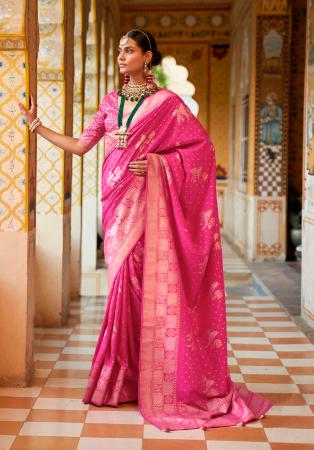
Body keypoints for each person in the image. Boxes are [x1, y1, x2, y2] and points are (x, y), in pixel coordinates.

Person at [19, 28, 272, 432]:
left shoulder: (167, 104)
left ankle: (139, 379)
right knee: (121, 284)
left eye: (129, 50)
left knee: (136, 287)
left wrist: (158, 163)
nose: (121, 56)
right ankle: (123, 379)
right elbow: (83, 146)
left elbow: (201, 150)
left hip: (146, 207)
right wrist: (37, 127)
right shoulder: (109, 102)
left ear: (147, 57)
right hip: (115, 206)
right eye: (119, 50)